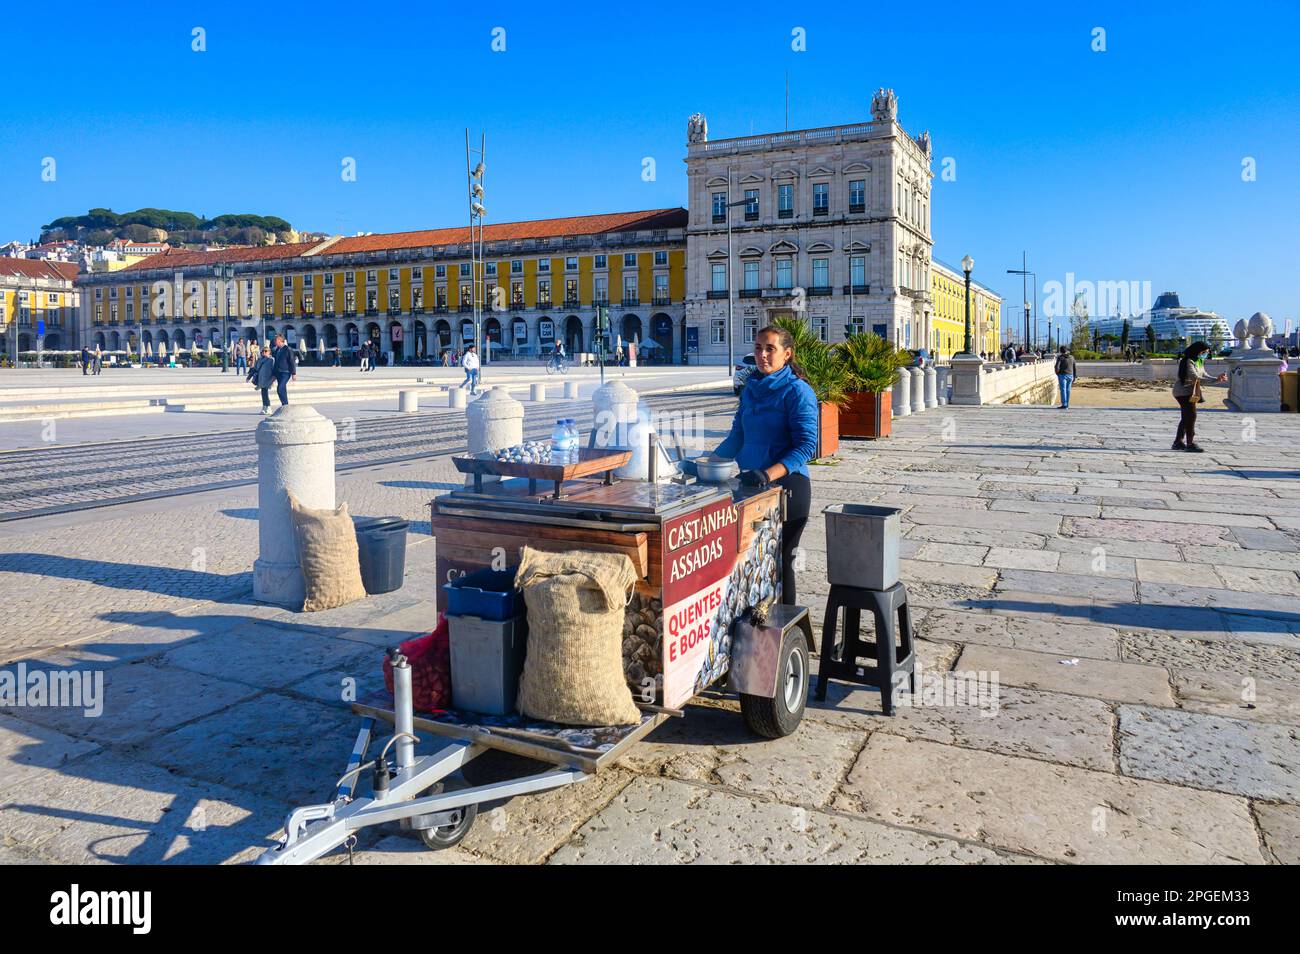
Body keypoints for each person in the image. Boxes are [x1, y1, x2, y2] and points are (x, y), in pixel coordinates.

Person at [707, 325, 818, 605]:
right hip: (751, 489)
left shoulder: (797, 391)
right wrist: (707, 465)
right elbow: (737, 437)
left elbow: (807, 446)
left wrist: (767, 474)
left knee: (782, 563)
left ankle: (786, 626)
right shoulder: (750, 390)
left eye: (770, 349)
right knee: (750, 564)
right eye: (758, 348)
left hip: (787, 489)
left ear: (787, 354)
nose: (762, 355)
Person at [1171, 341, 1227, 453]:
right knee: (1191, 416)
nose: (1206, 354)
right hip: (1183, 392)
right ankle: (1190, 443)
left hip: (1190, 391)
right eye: (1205, 352)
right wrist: (1216, 380)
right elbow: (1195, 378)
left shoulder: (1199, 361)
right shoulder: (1188, 362)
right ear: (1198, 351)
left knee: (1186, 417)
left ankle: (1178, 442)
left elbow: (1204, 375)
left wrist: (1217, 378)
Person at [247, 344, 275, 414]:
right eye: (263, 351)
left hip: (268, 379)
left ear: (269, 352)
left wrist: (273, 379)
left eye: (266, 351)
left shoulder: (272, 360)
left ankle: (268, 407)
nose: (264, 352)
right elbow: (255, 369)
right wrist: (249, 377)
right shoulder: (259, 360)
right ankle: (264, 406)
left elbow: (275, 369)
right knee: (263, 393)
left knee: (265, 392)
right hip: (261, 378)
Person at [271, 334, 297, 406]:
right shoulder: (277, 350)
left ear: (279, 340)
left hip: (286, 372)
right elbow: (275, 363)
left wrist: (293, 373)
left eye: (275, 340)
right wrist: (274, 374)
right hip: (278, 372)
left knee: (280, 388)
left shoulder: (288, 349)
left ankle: (285, 404)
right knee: (283, 389)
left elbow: (292, 361)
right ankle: (285, 404)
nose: (274, 342)